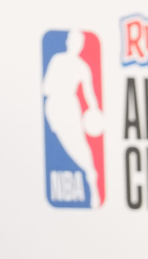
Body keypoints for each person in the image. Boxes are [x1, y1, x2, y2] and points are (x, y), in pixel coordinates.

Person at [42, 30, 103, 207]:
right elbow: (45, 87)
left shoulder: (82, 67)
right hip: (54, 106)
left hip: (69, 107)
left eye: (78, 41)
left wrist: (94, 111)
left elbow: (89, 93)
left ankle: (92, 181)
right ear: (68, 42)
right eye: (72, 40)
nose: (74, 44)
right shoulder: (57, 60)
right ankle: (91, 176)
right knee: (63, 146)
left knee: (79, 146)